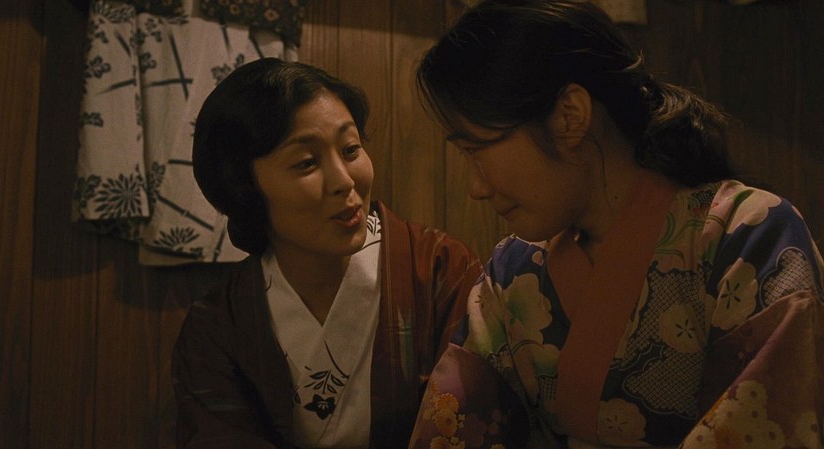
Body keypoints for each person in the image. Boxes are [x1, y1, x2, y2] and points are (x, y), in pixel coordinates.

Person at [407, 1, 824, 448]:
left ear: (570, 115)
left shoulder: (750, 235)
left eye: (475, 150)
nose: (474, 187)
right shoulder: (513, 272)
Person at [172, 57, 482, 449]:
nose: (344, 180)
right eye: (307, 163)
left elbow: (474, 422)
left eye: (351, 149)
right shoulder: (220, 326)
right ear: (244, 187)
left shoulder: (439, 270)